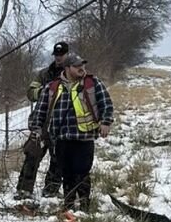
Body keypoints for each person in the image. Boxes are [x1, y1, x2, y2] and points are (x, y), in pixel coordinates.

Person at [29, 51, 114, 212]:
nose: (82, 68)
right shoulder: (52, 87)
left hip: (84, 138)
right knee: (66, 173)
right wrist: (36, 129)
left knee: (82, 172)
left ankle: (84, 207)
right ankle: (68, 206)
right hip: (61, 139)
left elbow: (106, 104)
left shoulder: (92, 83)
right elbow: (40, 110)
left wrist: (106, 122)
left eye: (82, 65)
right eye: (77, 66)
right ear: (67, 68)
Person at [15, 40, 71, 197]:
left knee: (58, 159)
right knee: (32, 154)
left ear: (67, 55)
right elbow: (30, 92)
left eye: (62, 55)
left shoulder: (72, 73)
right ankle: (24, 189)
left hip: (62, 123)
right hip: (42, 121)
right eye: (56, 55)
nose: (58, 58)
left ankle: (51, 191)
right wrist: (45, 93)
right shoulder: (44, 74)